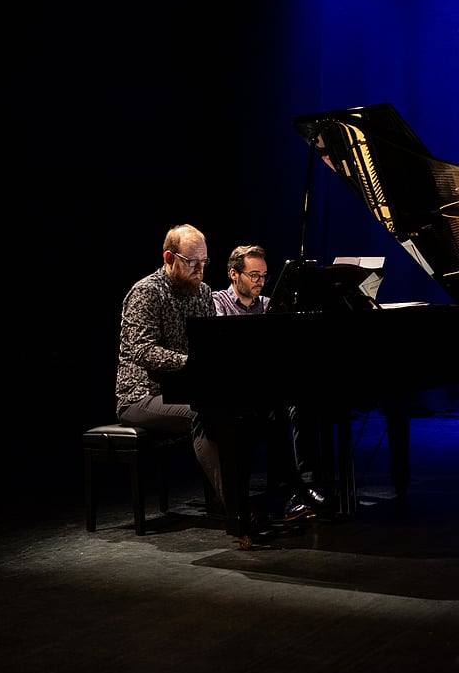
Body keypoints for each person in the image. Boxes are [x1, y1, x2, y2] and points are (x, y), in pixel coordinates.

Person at [114, 223, 265, 548]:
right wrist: (191, 365)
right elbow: (142, 349)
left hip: (186, 389)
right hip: (141, 396)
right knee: (201, 412)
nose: (199, 269)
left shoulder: (203, 293)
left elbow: (210, 344)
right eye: (192, 262)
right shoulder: (146, 292)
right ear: (169, 257)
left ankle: (235, 501)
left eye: (204, 263)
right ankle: (236, 511)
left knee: (242, 410)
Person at [213, 244, 329, 523]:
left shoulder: (268, 307)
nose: (260, 282)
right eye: (254, 275)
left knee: (303, 404)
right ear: (234, 274)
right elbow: (223, 349)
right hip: (235, 392)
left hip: (267, 390)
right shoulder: (218, 302)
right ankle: (295, 490)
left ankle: (305, 485)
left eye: (264, 276)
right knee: (275, 411)